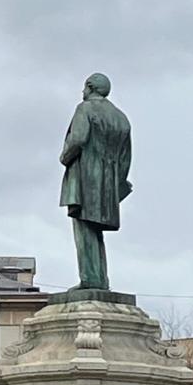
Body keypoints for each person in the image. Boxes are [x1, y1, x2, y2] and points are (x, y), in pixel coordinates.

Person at [59, 72, 132, 292]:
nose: (82, 92)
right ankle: (100, 279)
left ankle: (91, 279)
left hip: (86, 178)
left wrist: (64, 156)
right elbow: (126, 157)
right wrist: (117, 184)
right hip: (108, 183)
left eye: (84, 88)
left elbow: (79, 139)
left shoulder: (86, 109)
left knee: (84, 228)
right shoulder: (121, 118)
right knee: (95, 230)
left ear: (90, 87)